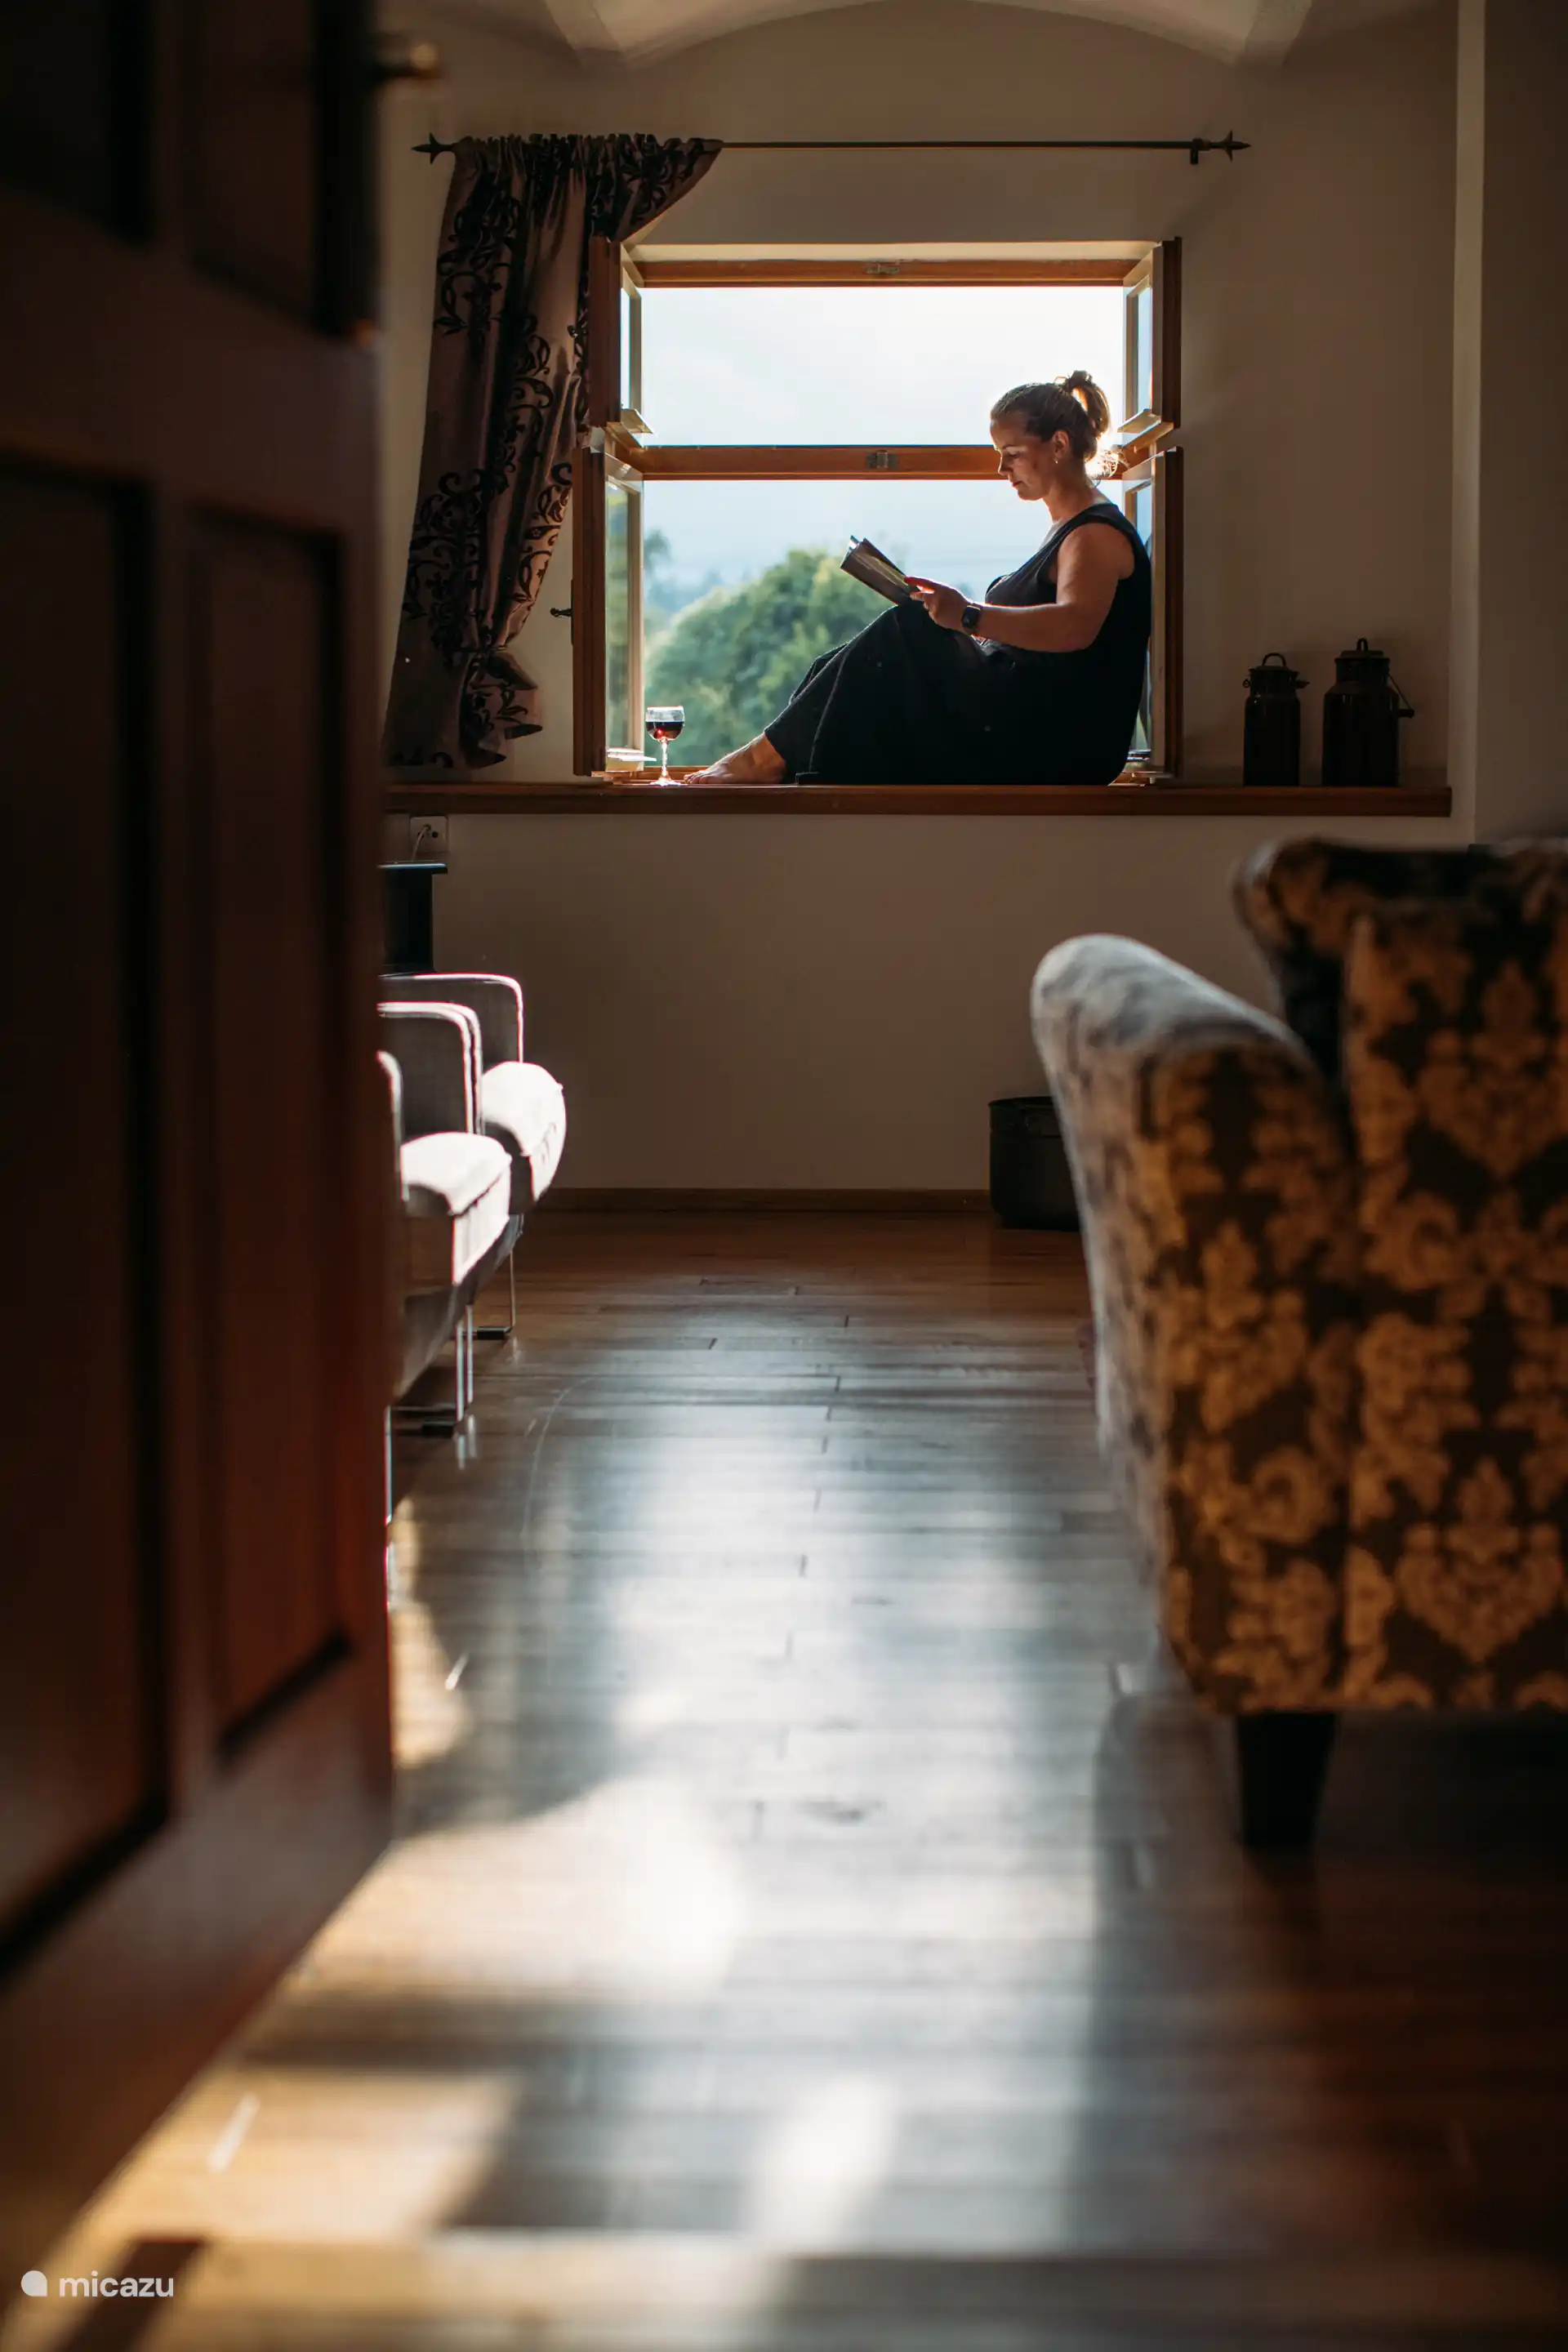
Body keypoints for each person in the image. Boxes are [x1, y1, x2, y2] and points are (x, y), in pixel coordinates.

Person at [684, 372, 1152, 788]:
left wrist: (967, 616)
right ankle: (778, 763)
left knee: (903, 631)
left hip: (1056, 743)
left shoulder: (1094, 535)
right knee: (841, 661)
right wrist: (952, 615)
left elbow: (1075, 626)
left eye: (1012, 454)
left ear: (1059, 446)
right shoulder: (1068, 532)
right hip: (1024, 722)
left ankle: (766, 761)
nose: (1001, 469)